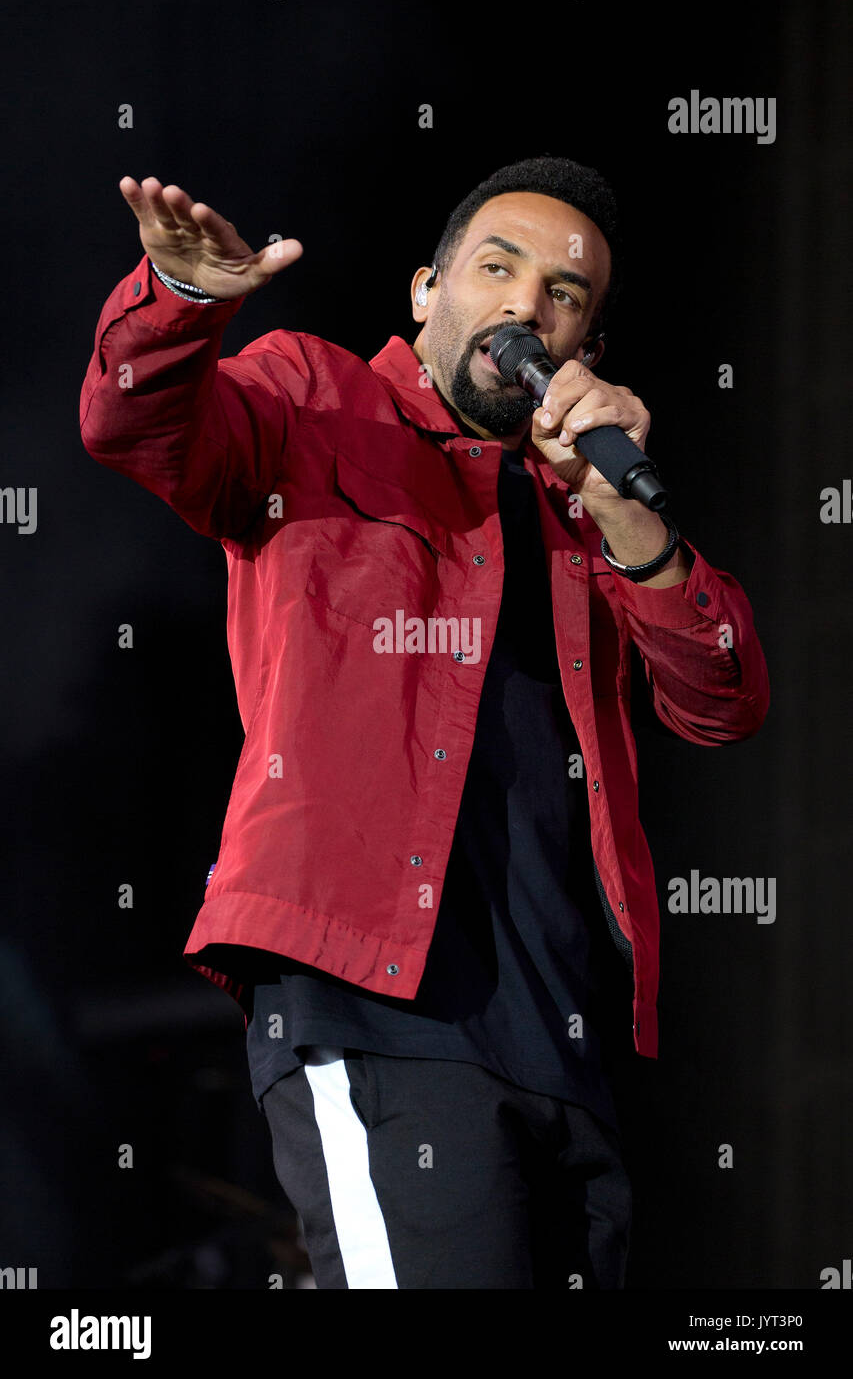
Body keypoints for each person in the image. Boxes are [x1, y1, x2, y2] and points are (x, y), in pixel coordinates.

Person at [79, 156, 770, 1290]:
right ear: (423, 291)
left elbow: (723, 702)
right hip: (374, 1000)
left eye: (563, 293)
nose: (524, 306)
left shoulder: (581, 510)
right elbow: (135, 426)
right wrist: (183, 305)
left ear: (585, 347)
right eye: (495, 267)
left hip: (565, 1037)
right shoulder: (310, 397)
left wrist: (620, 518)